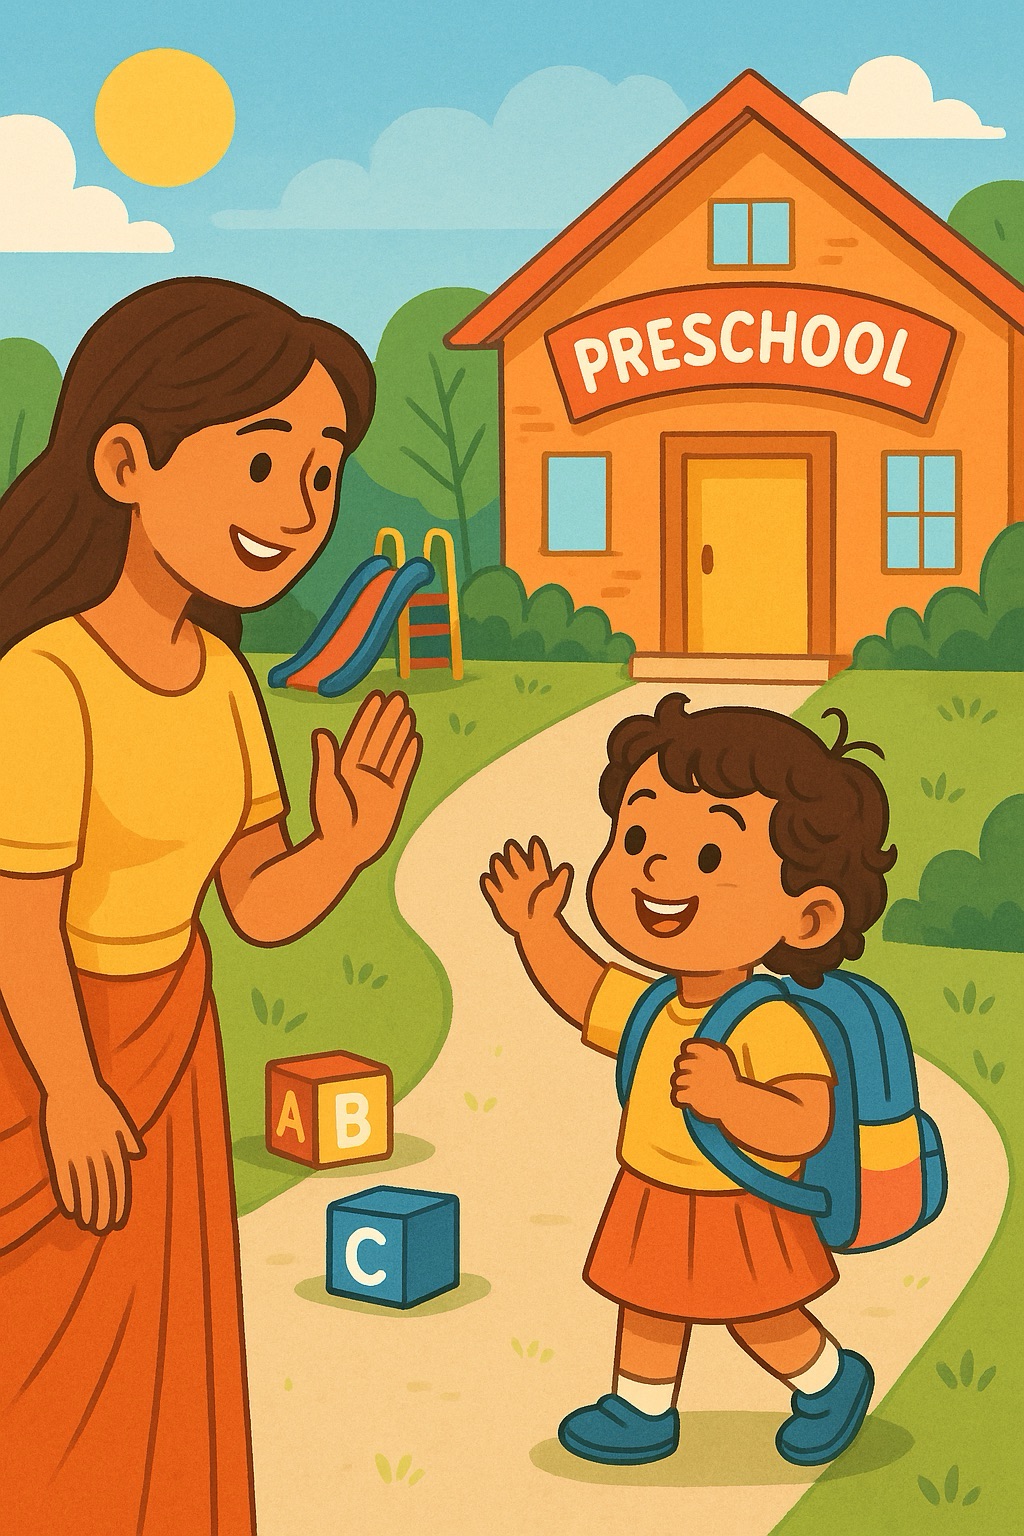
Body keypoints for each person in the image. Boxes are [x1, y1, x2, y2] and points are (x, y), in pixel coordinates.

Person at [0, 277, 421, 1534]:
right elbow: (17, 922)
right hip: (45, 1055)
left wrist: (342, 848)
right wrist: (70, 1089)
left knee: (157, 1349)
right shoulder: (46, 680)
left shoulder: (225, 681)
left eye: (322, 471)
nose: (295, 509)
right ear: (126, 460)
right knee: (42, 1347)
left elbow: (255, 903)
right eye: (259, 461)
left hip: (171, 1046)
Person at [482, 692, 896, 1467]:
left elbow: (808, 1121)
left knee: (760, 1313)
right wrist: (538, 927)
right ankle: (641, 1409)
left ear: (805, 919)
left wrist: (735, 1099)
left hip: (739, 1198)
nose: (656, 869)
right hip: (653, 1187)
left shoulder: (767, 1021)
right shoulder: (654, 1006)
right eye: (636, 837)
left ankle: (828, 1377)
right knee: (647, 1301)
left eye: (710, 857)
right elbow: (584, 989)